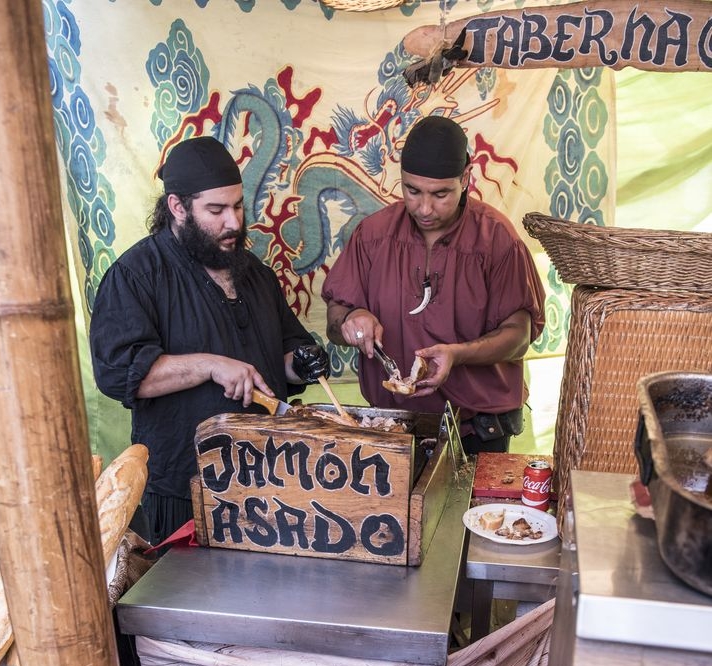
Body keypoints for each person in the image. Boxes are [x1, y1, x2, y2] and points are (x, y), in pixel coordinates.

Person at [90, 136, 328, 545]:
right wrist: (210, 364)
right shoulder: (136, 276)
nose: (233, 222)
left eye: (237, 206)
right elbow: (119, 374)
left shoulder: (253, 272)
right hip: (187, 488)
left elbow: (282, 354)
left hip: (269, 484)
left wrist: (300, 360)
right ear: (178, 207)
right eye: (216, 210)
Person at [323, 116, 546, 455]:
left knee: (475, 511)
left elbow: (518, 336)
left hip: (478, 428)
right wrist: (352, 319)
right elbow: (336, 319)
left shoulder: (497, 241)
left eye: (441, 194)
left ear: (466, 179)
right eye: (412, 191)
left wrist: (458, 355)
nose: (424, 208)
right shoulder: (373, 235)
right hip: (393, 426)